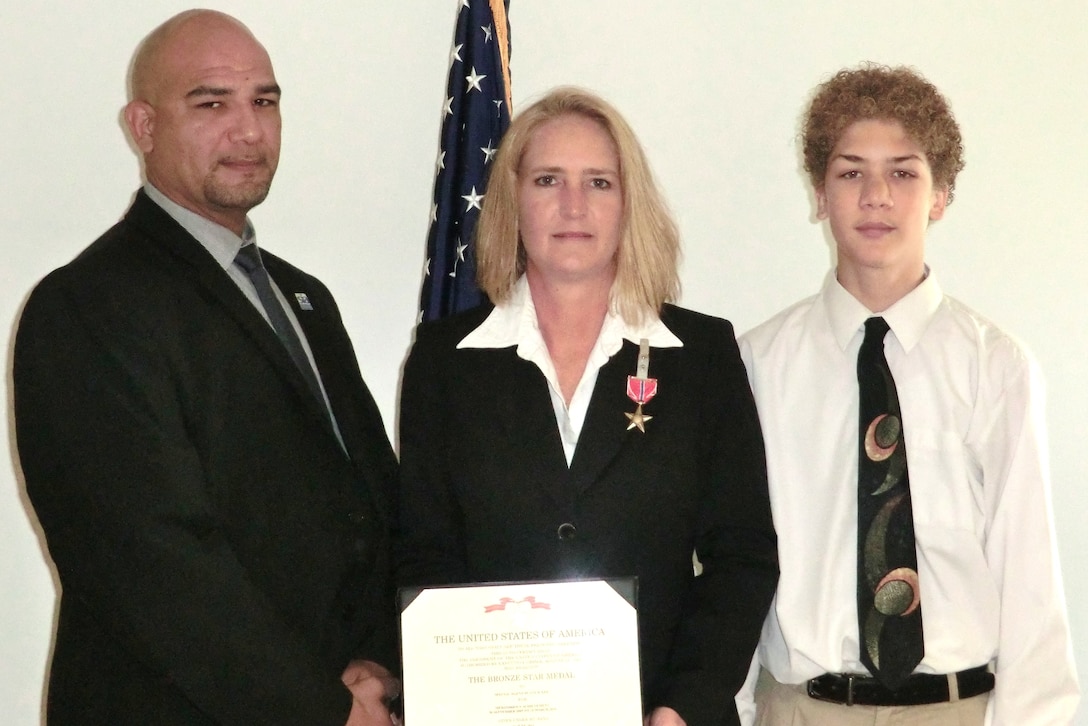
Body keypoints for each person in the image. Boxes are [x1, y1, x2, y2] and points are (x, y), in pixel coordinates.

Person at [13, 10, 400, 725]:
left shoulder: (304, 297)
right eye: (212, 102)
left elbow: (370, 502)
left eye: (266, 101)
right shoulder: (87, 306)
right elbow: (154, 564)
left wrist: (384, 665)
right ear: (143, 126)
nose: (249, 130)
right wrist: (324, 710)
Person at [396, 86, 778, 726]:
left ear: (630, 203)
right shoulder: (445, 362)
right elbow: (423, 554)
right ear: (513, 202)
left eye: (599, 182)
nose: (573, 204)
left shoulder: (701, 354)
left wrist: (682, 706)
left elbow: (741, 555)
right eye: (548, 179)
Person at [736, 64, 1080, 724]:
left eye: (903, 172)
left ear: (941, 195)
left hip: (954, 707)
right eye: (850, 172)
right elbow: (731, 567)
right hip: (802, 708)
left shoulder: (996, 367)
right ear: (818, 194)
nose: (875, 196)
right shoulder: (756, 364)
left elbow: (1029, 576)